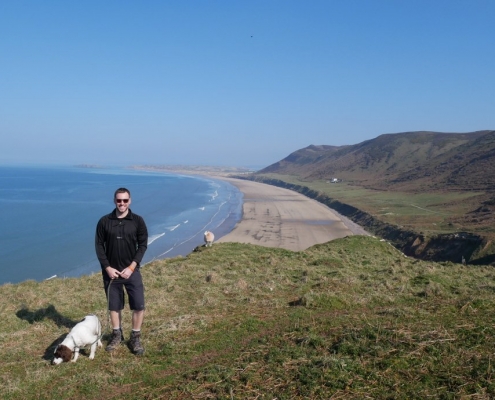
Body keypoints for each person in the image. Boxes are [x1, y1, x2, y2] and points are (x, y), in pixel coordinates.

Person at [95, 187, 148, 355]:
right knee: (114, 306)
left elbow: (143, 245)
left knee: (138, 305)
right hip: (111, 273)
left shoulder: (138, 221)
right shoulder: (104, 221)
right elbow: (98, 246)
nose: (122, 203)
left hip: (131, 272)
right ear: (114, 201)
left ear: (130, 201)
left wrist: (132, 267)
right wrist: (107, 268)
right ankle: (117, 335)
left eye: (125, 200)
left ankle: (135, 338)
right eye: (119, 200)